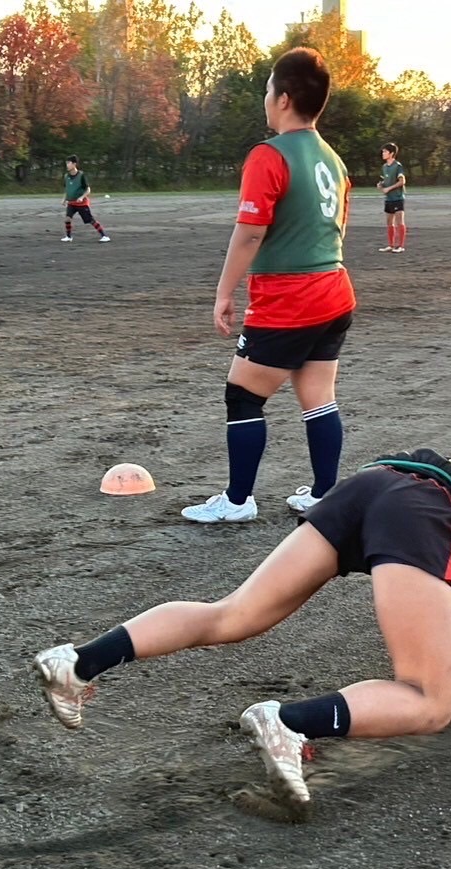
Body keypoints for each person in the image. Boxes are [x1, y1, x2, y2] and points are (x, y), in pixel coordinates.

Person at [34, 415, 451, 805]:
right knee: (429, 701)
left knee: (232, 613)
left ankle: (78, 662)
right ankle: (290, 721)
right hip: (425, 513)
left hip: (374, 481)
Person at [182, 46, 355, 525]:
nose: (265, 98)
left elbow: (250, 233)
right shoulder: (334, 161)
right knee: (318, 396)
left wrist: (224, 292)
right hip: (334, 290)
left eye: (267, 89)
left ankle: (238, 500)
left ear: (283, 98)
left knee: (243, 395)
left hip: (290, 299)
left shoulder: (269, 155)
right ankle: (324, 494)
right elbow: (337, 228)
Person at [61, 156, 110, 243]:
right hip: (71, 203)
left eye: (68, 163)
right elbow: (67, 189)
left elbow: (88, 190)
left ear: (74, 164)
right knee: (67, 219)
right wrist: (64, 199)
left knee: (90, 220)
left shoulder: (81, 176)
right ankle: (68, 237)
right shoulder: (66, 176)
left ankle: (104, 236)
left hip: (81, 204)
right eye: (66, 163)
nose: (67, 165)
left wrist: (81, 197)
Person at [377, 142, 407, 253]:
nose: (383, 153)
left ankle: (400, 246)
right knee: (389, 222)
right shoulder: (384, 167)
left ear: (391, 153)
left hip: (397, 198)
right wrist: (381, 185)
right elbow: (386, 180)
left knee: (400, 221)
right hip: (388, 199)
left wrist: (389, 188)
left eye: (385, 151)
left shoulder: (397, 166)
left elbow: (402, 181)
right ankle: (390, 245)